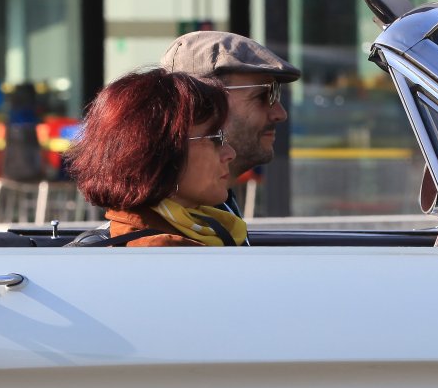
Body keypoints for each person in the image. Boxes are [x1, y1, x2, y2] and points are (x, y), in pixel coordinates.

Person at [68, 69, 246, 247]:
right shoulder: (164, 252)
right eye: (215, 138)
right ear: (157, 153)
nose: (230, 153)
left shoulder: (201, 230)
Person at [159, 31, 300, 214]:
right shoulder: (152, 225)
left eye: (276, 93)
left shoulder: (216, 210)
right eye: (264, 95)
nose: (280, 114)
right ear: (196, 104)